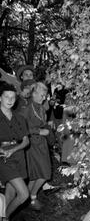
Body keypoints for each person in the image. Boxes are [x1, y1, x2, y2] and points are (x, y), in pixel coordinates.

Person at [0, 83, 30, 221]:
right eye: (6, 96)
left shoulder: (20, 118)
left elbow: (26, 141)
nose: (10, 99)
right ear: (0, 98)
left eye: (13, 97)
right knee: (24, 194)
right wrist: (7, 151)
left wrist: (14, 150)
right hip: (3, 158)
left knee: (10, 194)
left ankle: (2, 220)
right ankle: (5, 218)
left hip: (19, 157)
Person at [20, 82, 52, 210]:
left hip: (41, 143)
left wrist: (47, 126)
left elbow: (42, 122)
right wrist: (38, 131)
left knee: (37, 173)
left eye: (45, 95)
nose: (44, 98)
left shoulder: (41, 107)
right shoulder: (27, 109)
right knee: (44, 173)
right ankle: (32, 196)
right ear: (33, 93)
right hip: (32, 143)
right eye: (42, 95)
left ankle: (26, 199)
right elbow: (21, 128)